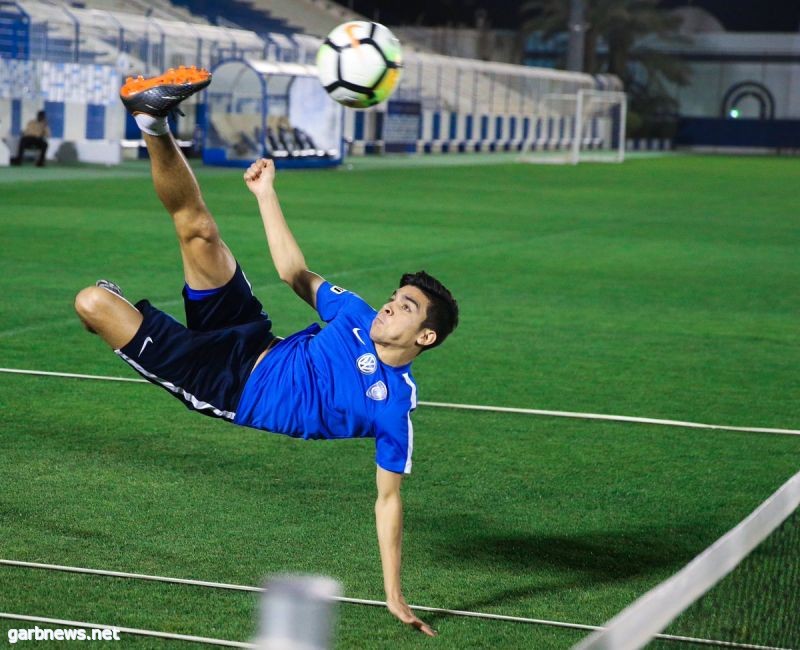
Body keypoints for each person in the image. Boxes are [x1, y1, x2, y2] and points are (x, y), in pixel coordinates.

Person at [73, 67, 458, 636]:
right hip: (252, 335)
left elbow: (388, 504)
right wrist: (265, 194)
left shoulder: (394, 409)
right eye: (393, 299)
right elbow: (293, 273)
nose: (389, 307)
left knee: (90, 303)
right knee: (199, 229)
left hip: (222, 385)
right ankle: (152, 120)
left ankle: (112, 306)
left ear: (425, 337)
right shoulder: (353, 313)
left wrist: (393, 594)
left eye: (405, 308)